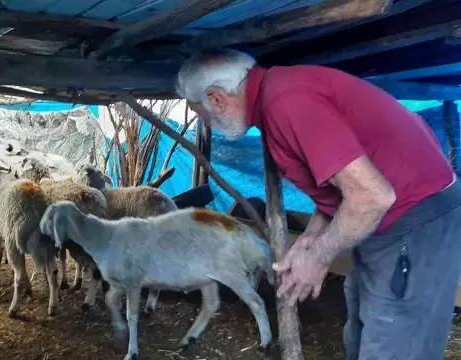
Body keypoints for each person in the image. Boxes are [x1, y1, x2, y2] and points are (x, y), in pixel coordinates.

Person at [176, 48, 461, 360]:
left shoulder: (290, 102)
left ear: (216, 99)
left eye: (201, 114)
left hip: (414, 222)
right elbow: (343, 190)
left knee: (396, 340)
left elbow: (372, 196)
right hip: (388, 224)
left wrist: (319, 258)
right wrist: (311, 239)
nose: (209, 123)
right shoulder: (281, 95)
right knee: (363, 328)